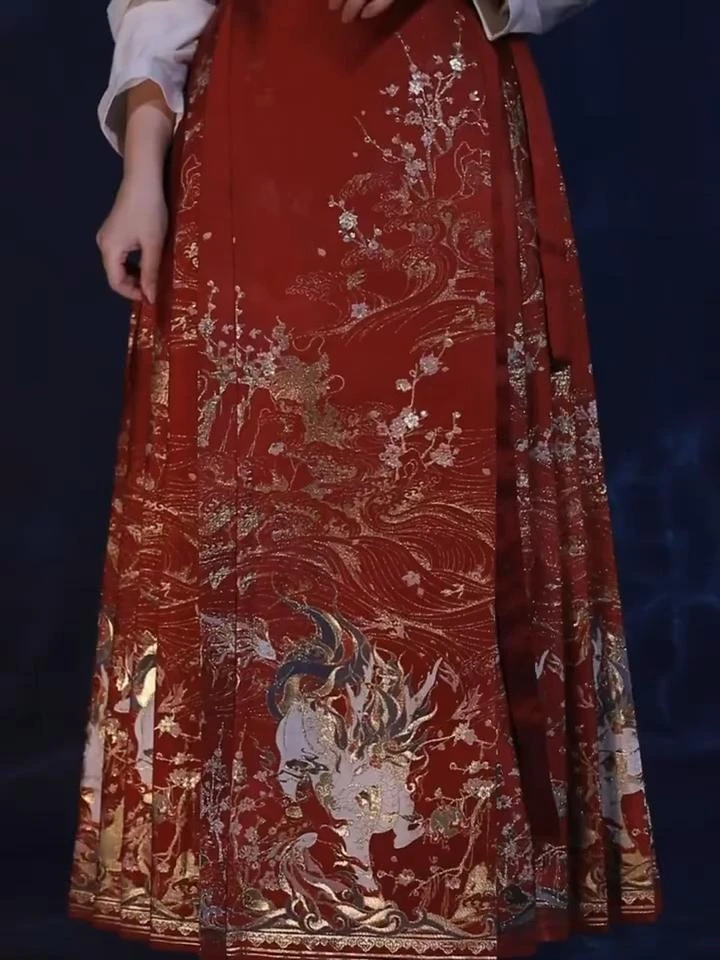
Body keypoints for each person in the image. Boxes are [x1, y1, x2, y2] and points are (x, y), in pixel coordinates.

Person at [69, 1, 660, 957]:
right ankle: (262, 881)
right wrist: (143, 169)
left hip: (438, 137)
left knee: (441, 505)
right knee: (255, 503)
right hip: (252, 145)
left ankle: (446, 878)